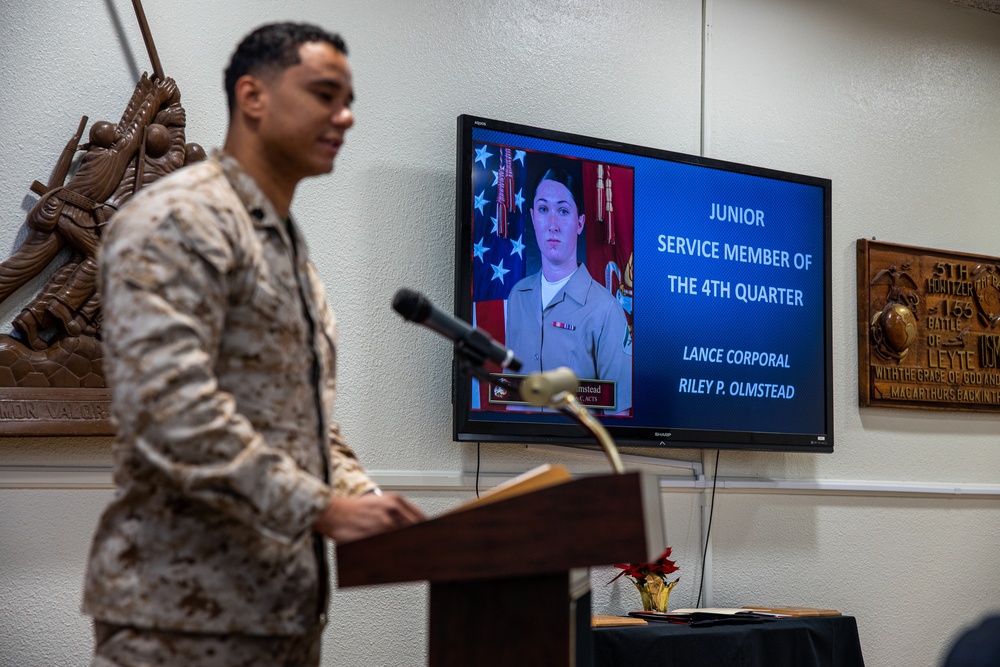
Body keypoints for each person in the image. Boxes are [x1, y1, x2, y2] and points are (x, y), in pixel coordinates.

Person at [82, 22, 425, 667]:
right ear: (253, 97)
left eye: (349, 99)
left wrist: (365, 499)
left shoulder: (288, 249)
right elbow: (171, 414)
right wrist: (322, 509)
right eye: (326, 94)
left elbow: (304, 422)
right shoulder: (180, 218)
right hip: (179, 620)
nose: (345, 117)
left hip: (280, 614)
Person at [505, 166, 633, 414]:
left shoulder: (606, 309)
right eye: (543, 209)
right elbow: (512, 393)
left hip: (580, 451)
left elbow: (618, 416)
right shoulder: (517, 297)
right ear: (532, 217)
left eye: (563, 211)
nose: (552, 224)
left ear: (580, 223)